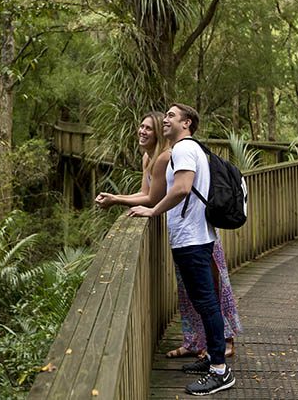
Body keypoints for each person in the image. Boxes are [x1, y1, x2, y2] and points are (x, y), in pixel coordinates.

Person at [95, 113, 241, 362]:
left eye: (148, 128)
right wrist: (120, 199)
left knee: (212, 291)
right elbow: (146, 192)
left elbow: (157, 197)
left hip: (196, 233)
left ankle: (220, 352)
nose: (143, 131)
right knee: (191, 292)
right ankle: (196, 342)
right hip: (185, 234)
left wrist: (119, 200)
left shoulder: (169, 156)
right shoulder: (148, 158)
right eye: (141, 126)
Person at [129, 103, 236, 396]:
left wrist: (153, 212)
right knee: (204, 302)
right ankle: (212, 359)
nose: (166, 119)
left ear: (186, 123)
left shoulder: (184, 149)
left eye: (172, 116)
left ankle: (219, 371)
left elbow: (182, 188)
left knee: (207, 303)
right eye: (165, 116)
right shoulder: (188, 148)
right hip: (192, 237)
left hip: (193, 239)